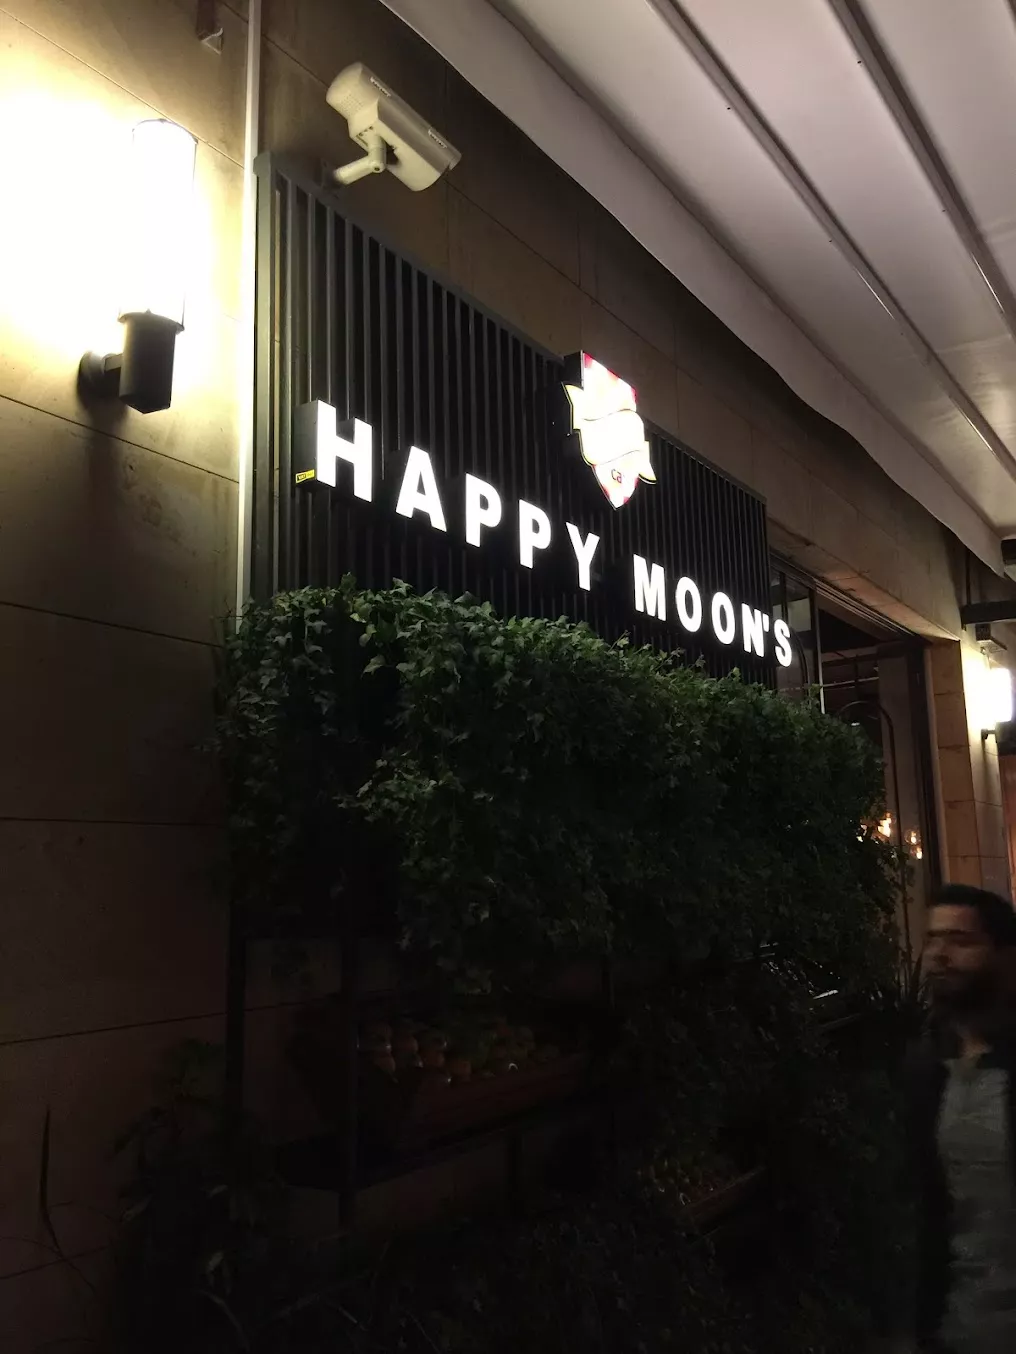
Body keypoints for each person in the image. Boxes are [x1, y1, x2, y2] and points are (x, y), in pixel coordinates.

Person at [908, 883, 1016, 1353]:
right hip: (960, 1329)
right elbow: (930, 1211)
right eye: (933, 938)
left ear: (1004, 955)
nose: (940, 954)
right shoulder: (928, 1069)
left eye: (961, 940)